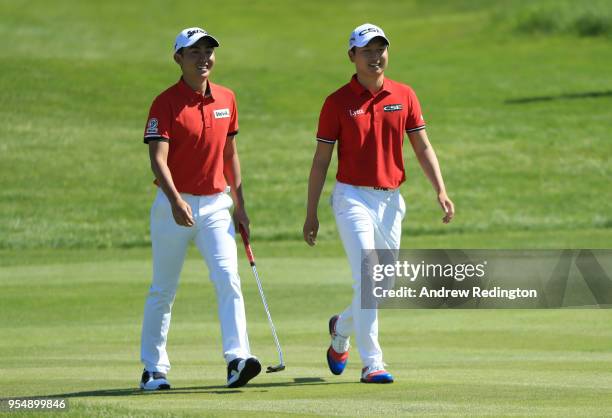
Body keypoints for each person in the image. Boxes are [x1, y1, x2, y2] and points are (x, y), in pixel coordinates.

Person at [303, 23, 455, 384]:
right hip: (351, 196)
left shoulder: (404, 94)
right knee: (370, 280)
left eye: (380, 49)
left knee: (383, 286)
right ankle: (373, 363)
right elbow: (321, 160)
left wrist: (441, 189)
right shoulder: (337, 102)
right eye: (367, 50)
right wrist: (311, 212)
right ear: (352, 56)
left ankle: (340, 328)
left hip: (391, 201)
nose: (376, 56)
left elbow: (422, 146)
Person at [139, 27, 261, 390]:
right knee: (163, 289)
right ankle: (153, 370)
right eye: (194, 52)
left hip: (215, 205)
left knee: (229, 280)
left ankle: (237, 359)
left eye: (208, 51)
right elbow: (157, 158)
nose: (204, 58)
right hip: (172, 205)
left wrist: (240, 205)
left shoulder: (227, 98)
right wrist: (175, 199)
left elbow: (230, 154)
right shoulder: (165, 102)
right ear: (178, 58)